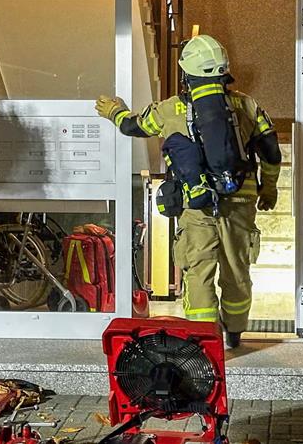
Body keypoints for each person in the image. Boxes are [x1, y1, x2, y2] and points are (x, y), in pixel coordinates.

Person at [94, 34, 282, 349]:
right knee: (237, 270)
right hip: (241, 200)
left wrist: (114, 111)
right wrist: (270, 187)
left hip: (197, 205)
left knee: (199, 272)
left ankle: (205, 345)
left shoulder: (169, 109)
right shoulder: (246, 105)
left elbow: (133, 127)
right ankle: (235, 334)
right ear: (224, 71)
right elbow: (271, 151)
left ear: (186, 73)